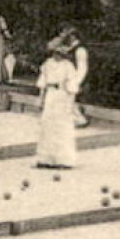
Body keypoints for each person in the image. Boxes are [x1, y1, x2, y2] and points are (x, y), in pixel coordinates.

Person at [33, 36, 81, 169]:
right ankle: (45, 158)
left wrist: (71, 103)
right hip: (50, 95)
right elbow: (42, 83)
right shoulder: (47, 65)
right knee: (47, 125)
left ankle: (64, 159)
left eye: (60, 53)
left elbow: (72, 86)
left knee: (62, 127)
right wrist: (40, 99)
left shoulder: (68, 66)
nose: (57, 55)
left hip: (62, 95)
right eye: (55, 52)